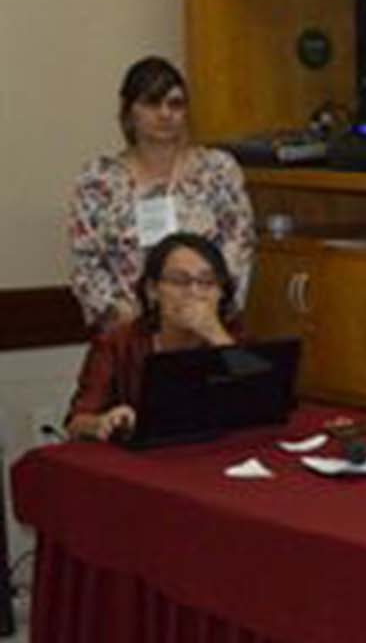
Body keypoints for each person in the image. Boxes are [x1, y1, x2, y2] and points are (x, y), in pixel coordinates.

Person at [67, 56, 255, 330]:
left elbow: (239, 247)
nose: (165, 113)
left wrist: (204, 310)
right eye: (152, 103)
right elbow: (86, 264)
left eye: (175, 104)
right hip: (127, 330)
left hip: (206, 326)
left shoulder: (217, 171)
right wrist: (123, 315)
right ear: (129, 111)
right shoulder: (98, 180)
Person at [63, 232, 239, 441]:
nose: (194, 292)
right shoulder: (118, 341)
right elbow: (76, 422)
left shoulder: (233, 336)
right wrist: (102, 422)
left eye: (207, 282)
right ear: (152, 290)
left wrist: (216, 336)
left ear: (221, 292)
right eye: (180, 281)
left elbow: (262, 400)